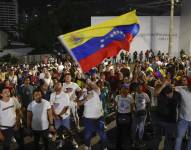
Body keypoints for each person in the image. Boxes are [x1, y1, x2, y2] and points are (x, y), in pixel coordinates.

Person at [77, 81, 108, 150]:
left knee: (102, 134)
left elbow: (95, 86)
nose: (88, 86)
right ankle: (87, 145)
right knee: (87, 135)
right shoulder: (83, 94)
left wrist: (89, 81)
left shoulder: (96, 91)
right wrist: (86, 98)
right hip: (88, 118)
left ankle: (104, 147)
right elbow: (78, 104)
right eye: (86, 85)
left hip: (99, 117)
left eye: (89, 85)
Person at [50, 82, 78, 149]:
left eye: (58, 84)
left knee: (68, 130)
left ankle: (73, 140)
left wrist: (59, 115)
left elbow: (66, 107)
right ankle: (61, 141)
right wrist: (54, 114)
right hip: (56, 117)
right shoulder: (52, 94)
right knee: (59, 130)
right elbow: (51, 105)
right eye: (56, 85)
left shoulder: (65, 95)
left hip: (65, 116)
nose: (57, 85)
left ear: (61, 87)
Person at [115, 83, 134, 150]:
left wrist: (131, 114)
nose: (125, 90)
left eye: (126, 89)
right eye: (124, 88)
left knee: (128, 130)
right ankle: (120, 145)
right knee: (120, 131)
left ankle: (128, 144)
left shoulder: (130, 97)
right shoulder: (117, 97)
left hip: (127, 115)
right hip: (120, 115)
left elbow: (132, 106)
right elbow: (115, 106)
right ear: (121, 89)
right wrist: (116, 114)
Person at [174, 76, 191, 150]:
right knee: (179, 137)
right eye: (182, 80)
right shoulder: (182, 88)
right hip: (183, 119)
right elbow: (172, 87)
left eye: (185, 80)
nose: (183, 81)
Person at [132, 83, 150, 148]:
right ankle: (133, 141)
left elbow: (148, 103)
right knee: (134, 128)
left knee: (141, 127)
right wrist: (134, 110)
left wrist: (147, 111)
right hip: (135, 113)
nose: (139, 89)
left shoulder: (145, 95)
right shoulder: (133, 95)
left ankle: (140, 140)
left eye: (140, 87)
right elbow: (132, 104)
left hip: (143, 114)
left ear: (142, 88)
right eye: (138, 87)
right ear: (136, 88)